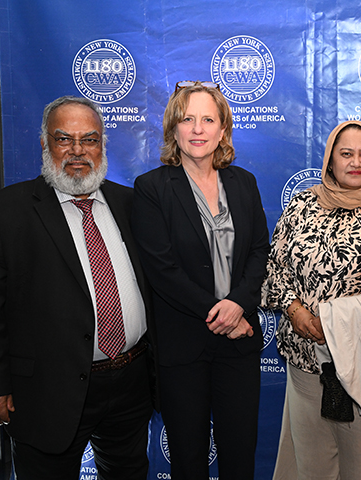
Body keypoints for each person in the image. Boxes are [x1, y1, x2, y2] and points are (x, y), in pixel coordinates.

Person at [0, 96, 158, 479]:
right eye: (64, 139)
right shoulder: (4, 213)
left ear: (102, 145)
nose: (77, 151)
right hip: (47, 390)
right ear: (45, 143)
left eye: (89, 140)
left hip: (130, 383)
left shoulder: (131, 204)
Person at [262, 120, 361, 480]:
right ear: (330, 161)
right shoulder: (303, 205)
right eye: (346, 153)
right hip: (306, 364)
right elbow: (275, 268)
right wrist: (296, 312)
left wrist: (335, 324)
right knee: (311, 468)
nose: (356, 162)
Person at [131, 81, 269, 480]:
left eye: (208, 120)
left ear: (223, 130)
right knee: (188, 460)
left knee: (239, 456)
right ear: (173, 129)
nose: (197, 129)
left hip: (239, 343)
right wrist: (222, 314)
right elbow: (162, 270)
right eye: (187, 119)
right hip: (183, 346)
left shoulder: (243, 182)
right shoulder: (152, 188)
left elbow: (260, 251)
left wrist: (238, 304)